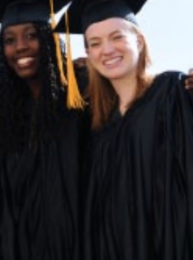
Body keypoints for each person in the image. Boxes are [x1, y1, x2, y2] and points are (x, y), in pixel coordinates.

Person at [55, 0, 193, 259]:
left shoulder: (173, 93)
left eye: (116, 37)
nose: (106, 50)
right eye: (94, 43)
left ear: (139, 41)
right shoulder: (98, 128)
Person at [0, 0, 90, 259]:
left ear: (49, 39)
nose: (21, 47)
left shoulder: (83, 92)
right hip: (17, 247)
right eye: (9, 40)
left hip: (83, 243)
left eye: (31, 35)